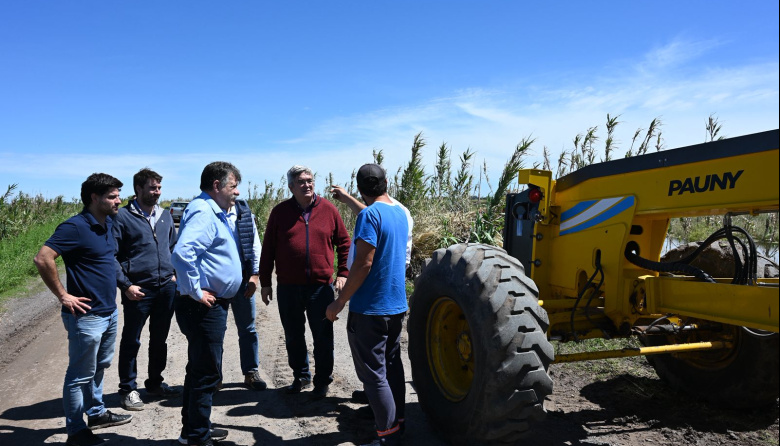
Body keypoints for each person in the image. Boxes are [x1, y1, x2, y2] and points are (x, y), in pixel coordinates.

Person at [33, 173, 133, 446]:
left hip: (108, 311)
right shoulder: (75, 227)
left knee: (99, 366)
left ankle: (96, 412)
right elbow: (43, 258)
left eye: (118, 195)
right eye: (112, 196)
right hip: (86, 316)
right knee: (79, 375)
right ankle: (76, 431)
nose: (118, 201)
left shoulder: (108, 223)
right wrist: (64, 296)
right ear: (94, 198)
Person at [326, 164, 409, 446]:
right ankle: (398, 421)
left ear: (360, 187)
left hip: (371, 308)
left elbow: (364, 263)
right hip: (396, 305)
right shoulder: (399, 213)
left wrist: (339, 302)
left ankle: (387, 436)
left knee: (374, 375)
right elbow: (372, 214)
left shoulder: (370, 216)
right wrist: (348, 198)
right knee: (392, 365)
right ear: (387, 182)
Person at [259, 165, 350, 400]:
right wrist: (266, 281)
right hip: (288, 287)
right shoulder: (280, 212)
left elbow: (344, 243)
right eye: (301, 182)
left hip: (320, 287)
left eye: (310, 180)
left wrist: (343, 273)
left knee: (323, 337)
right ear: (291, 186)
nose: (307, 185)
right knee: (293, 335)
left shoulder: (329, 210)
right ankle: (300, 376)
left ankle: (322, 382)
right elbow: (268, 248)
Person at [171, 162, 244, 446]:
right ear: (216, 186)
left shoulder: (216, 211)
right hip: (202, 306)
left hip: (210, 304)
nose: (236, 192)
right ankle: (197, 437)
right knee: (206, 371)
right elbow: (183, 253)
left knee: (199, 367)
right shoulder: (204, 212)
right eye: (233, 185)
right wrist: (195, 291)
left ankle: (193, 429)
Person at [113, 168, 180, 412]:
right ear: (138, 189)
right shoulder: (121, 217)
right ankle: (128, 389)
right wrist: (126, 285)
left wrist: (174, 274)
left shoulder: (164, 215)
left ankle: (154, 383)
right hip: (138, 290)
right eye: (152, 188)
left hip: (166, 288)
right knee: (132, 340)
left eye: (159, 188)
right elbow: (112, 256)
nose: (157, 192)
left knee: (159, 339)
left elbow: (173, 247)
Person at [225, 198, 267, 391]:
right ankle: (213, 376)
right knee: (215, 332)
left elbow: (255, 245)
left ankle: (251, 372)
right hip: (217, 283)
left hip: (243, 281)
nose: (236, 191)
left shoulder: (245, 214)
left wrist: (255, 275)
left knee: (248, 328)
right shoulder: (208, 212)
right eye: (232, 186)